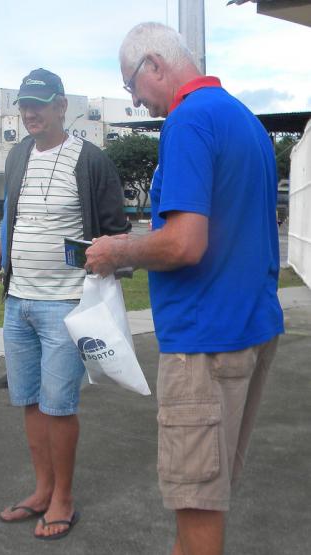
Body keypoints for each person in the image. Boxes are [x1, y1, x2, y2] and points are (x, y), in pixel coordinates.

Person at [86, 22, 284, 555]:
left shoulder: (188, 120)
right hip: (250, 327)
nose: (135, 100)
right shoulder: (243, 119)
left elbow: (184, 244)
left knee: (196, 503)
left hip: (205, 341)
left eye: (131, 85)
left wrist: (117, 250)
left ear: (154, 65)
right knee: (208, 496)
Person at [0, 68, 130, 540]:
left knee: (59, 406)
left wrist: (106, 262)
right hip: (18, 300)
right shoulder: (18, 155)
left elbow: (114, 230)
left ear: (62, 106)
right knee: (28, 400)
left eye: (40, 104)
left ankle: (64, 498)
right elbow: (16, 212)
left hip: (66, 305)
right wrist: (3, 253)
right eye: (24, 104)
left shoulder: (90, 160)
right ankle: (42, 489)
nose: (30, 113)